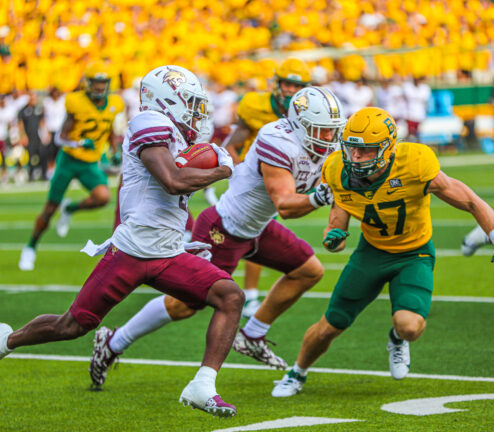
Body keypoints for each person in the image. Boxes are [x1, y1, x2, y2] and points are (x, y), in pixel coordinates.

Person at [0, 64, 242, 418]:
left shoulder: (177, 135)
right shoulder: (149, 123)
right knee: (72, 325)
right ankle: (3, 342)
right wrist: (221, 169)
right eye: (189, 103)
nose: (196, 112)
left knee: (230, 297)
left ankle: (202, 385)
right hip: (131, 251)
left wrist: (215, 161)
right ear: (166, 101)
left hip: (169, 252)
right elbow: (172, 181)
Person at [89, 86, 347, 387]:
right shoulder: (278, 140)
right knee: (184, 304)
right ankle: (113, 342)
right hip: (223, 228)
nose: (328, 139)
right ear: (299, 124)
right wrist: (319, 198)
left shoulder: (328, 148)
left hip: (258, 227)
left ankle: (252, 334)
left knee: (308, 271)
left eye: (332, 131)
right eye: (321, 130)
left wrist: (336, 224)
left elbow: (336, 193)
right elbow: (286, 205)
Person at [271, 107, 494, 398]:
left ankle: (397, 338)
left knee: (409, 326)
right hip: (371, 252)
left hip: (414, 253)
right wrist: (332, 240)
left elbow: (470, 200)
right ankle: (296, 372)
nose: (356, 157)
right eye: (352, 149)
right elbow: (335, 231)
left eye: (366, 150)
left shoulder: (414, 162)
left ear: (388, 148)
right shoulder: (337, 169)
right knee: (330, 325)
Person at [224, 58, 311, 318]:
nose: (291, 90)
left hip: (280, 176)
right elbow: (231, 143)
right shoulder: (254, 105)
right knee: (244, 232)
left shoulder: (308, 111)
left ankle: (243, 292)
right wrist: (238, 171)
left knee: (252, 233)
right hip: (254, 179)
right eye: (287, 84)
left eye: (297, 86)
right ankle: (244, 293)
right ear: (276, 84)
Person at [18, 61, 124, 271]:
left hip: (90, 163)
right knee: (49, 209)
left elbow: (110, 128)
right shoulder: (76, 102)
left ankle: (70, 208)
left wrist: (114, 150)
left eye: (104, 83)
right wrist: (78, 142)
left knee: (103, 197)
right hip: (69, 160)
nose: (100, 88)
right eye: (97, 83)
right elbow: (59, 137)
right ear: (88, 83)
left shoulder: (114, 104)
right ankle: (30, 247)